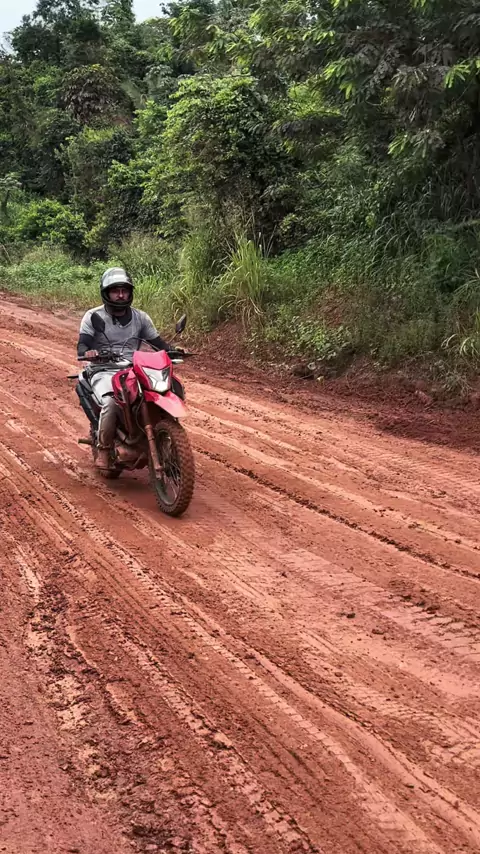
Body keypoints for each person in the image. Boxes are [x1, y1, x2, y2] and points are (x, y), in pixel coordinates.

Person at [77, 267, 171, 470]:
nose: (120, 295)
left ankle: (163, 438)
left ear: (130, 293)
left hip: (132, 368)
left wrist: (174, 350)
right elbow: (82, 345)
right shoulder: (93, 316)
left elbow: (158, 343)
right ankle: (104, 449)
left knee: (159, 392)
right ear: (106, 293)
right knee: (111, 401)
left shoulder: (141, 317)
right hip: (103, 369)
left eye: (124, 291)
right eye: (115, 291)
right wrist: (89, 352)